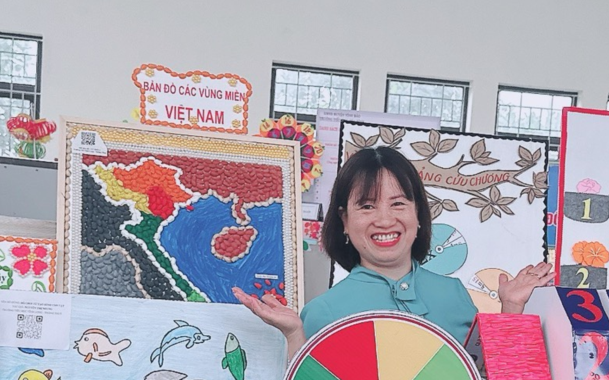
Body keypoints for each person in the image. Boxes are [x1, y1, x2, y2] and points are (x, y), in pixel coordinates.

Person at [233, 145, 554, 357]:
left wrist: (511, 307)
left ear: (418, 213)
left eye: (398, 203)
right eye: (367, 206)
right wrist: (294, 336)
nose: (385, 219)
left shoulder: (454, 294)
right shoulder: (323, 313)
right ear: (344, 221)